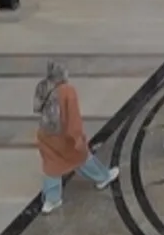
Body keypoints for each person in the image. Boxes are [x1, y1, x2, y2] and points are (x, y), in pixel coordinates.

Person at [34, 61, 119, 214]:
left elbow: (37, 107)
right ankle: (102, 177)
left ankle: (51, 200)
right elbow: (73, 120)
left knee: (52, 167)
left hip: (45, 134)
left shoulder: (43, 86)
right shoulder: (68, 91)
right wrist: (78, 138)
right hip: (64, 137)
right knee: (82, 158)